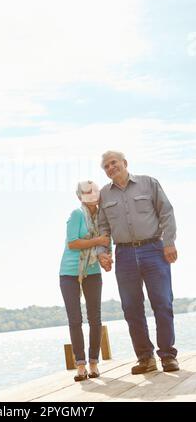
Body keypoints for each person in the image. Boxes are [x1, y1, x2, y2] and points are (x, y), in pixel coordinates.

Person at [97, 150, 179, 374]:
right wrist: (103, 252)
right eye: (106, 166)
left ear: (124, 163)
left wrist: (168, 242)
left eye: (113, 163)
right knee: (131, 308)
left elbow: (167, 213)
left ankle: (168, 356)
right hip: (124, 255)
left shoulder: (149, 183)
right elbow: (102, 228)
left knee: (162, 303)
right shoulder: (104, 195)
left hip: (154, 249)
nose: (111, 168)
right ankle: (145, 358)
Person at [59, 180, 110, 381]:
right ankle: (80, 365)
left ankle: (94, 363)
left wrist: (106, 258)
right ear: (79, 196)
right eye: (86, 192)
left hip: (93, 270)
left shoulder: (104, 217)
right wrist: (97, 241)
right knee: (75, 320)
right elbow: (73, 243)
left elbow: (108, 241)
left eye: (94, 190)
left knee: (95, 318)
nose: (91, 194)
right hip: (69, 272)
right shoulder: (76, 214)